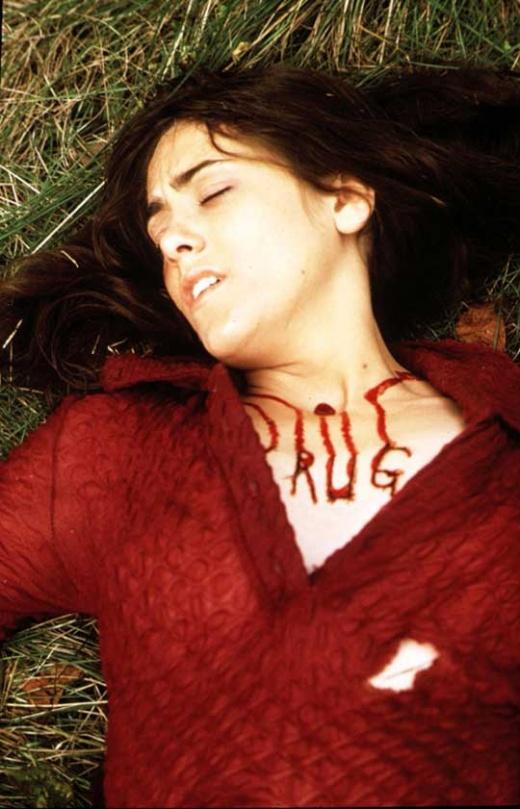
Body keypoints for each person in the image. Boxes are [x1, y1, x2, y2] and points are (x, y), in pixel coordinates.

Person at [0, 63, 519, 808]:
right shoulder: (117, 451)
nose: (174, 240)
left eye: (213, 192)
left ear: (345, 199)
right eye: (158, 227)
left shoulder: (505, 441)